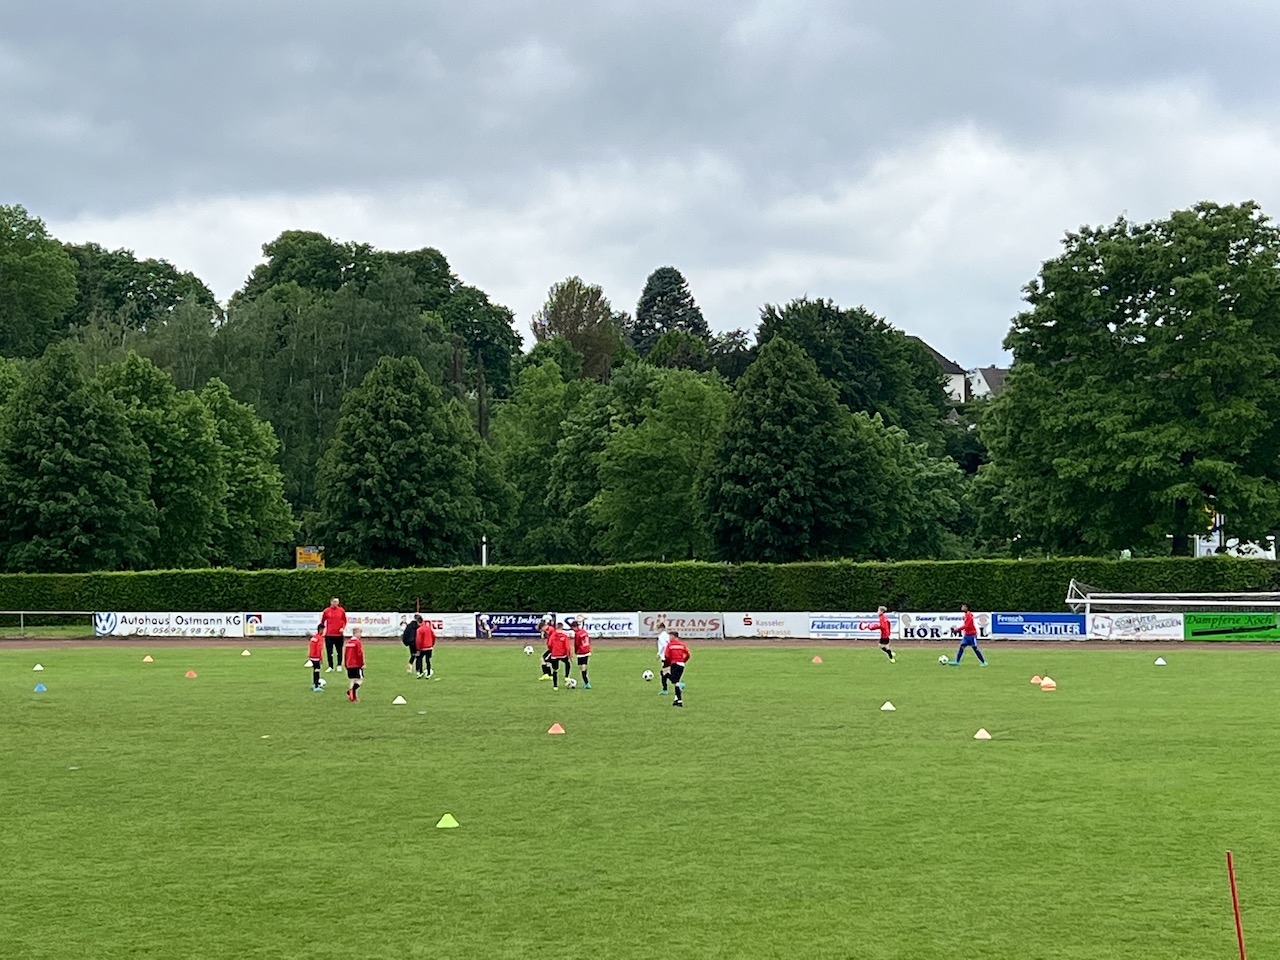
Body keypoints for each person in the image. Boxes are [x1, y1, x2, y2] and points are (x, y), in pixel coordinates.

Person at [661, 631, 690, 708]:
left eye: (670, 636)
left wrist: (667, 665)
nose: (669, 638)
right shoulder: (682, 645)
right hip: (681, 665)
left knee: (670, 678)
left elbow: (667, 656)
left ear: (674, 636)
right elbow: (688, 654)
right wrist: (683, 661)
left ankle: (679, 700)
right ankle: (677, 700)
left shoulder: (670, 645)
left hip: (674, 664)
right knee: (676, 682)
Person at [320, 597, 347, 672]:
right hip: (329, 635)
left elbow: (345, 621)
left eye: (337, 602)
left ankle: (339, 665)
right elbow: (322, 621)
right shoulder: (326, 611)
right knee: (329, 651)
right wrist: (321, 631)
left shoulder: (341, 610)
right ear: (331, 602)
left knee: (339, 651)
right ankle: (330, 666)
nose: (336, 603)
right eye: (335, 601)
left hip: (339, 635)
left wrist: (342, 628)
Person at [545, 621, 573, 690]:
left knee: (555, 670)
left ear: (556, 627)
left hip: (554, 654)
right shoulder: (564, 636)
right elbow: (567, 646)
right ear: (562, 627)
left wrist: (552, 650)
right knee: (567, 663)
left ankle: (555, 686)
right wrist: (569, 654)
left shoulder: (553, 635)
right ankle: (566, 676)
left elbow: (549, 644)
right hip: (563, 654)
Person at [569, 617, 592, 689]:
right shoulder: (584, 631)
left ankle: (587, 683)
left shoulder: (577, 634)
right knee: (584, 666)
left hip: (581, 652)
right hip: (587, 650)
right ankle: (587, 683)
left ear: (574, 627)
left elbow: (576, 644)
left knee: (582, 668)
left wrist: (575, 652)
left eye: (572, 628)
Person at [344, 628, 366, 701]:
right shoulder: (357, 642)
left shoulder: (348, 642)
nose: (360, 635)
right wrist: (362, 664)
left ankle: (352, 696)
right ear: (355, 633)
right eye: (359, 633)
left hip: (349, 664)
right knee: (360, 680)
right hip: (356, 664)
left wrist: (345, 664)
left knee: (352, 680)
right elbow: (359, 653)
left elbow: (345, 654)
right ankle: (351, 692)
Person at [655, 620, 671, 693]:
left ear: (661, 628)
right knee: (666, 672)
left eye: (658, 628)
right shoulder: (667, 636)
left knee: (664, 673)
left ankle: (665, 689)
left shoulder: (661, 636)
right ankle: (678, 683)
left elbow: (663, 646)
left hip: (665, 656)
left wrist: (658, 654)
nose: (657, 630)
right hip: (669, 656)